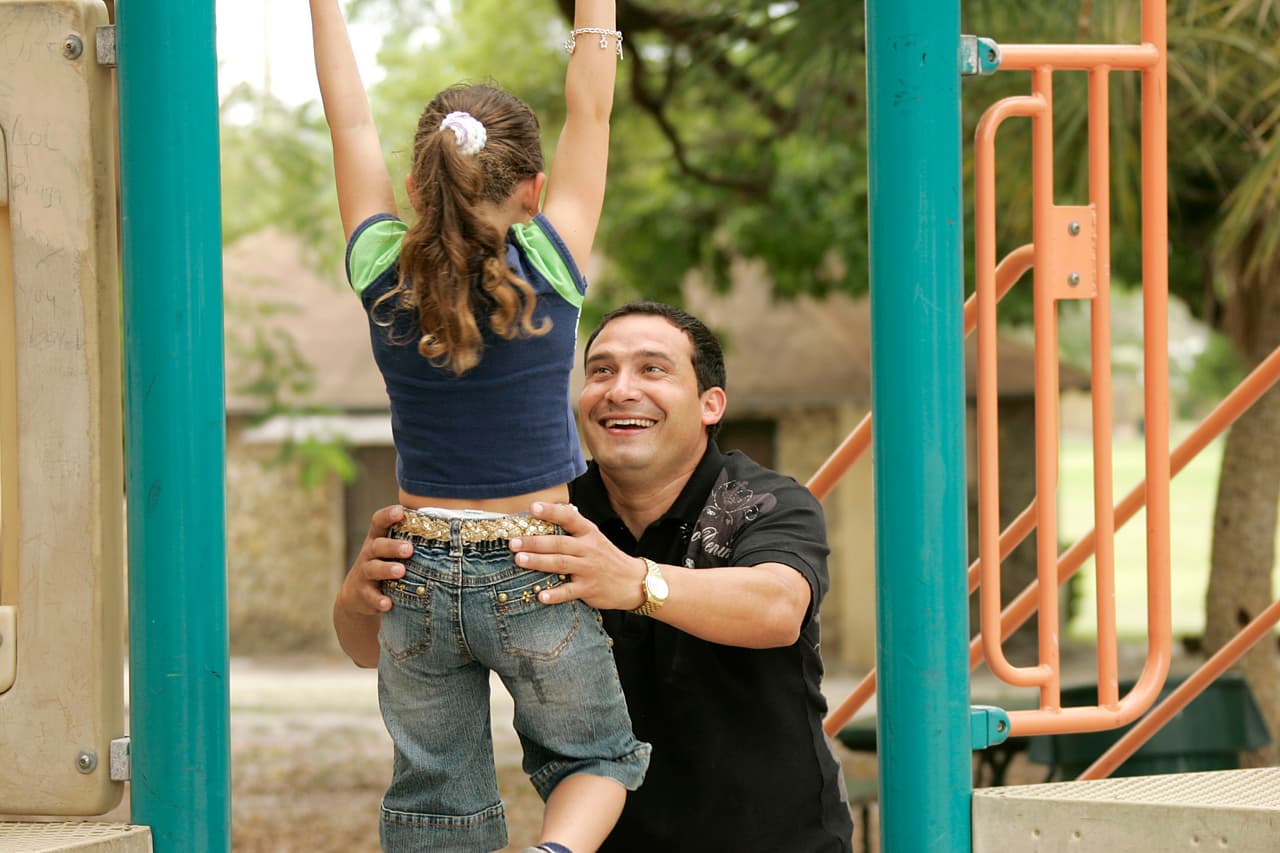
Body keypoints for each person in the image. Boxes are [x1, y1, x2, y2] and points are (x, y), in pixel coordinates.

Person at [308, 2, 648, 851]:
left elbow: (347, 117)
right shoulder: (553, 262)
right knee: (597, 757)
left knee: (434, 800)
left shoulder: (382, 270)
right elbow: (594, 108)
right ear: (533, 191)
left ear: (418, 183)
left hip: (414, 566)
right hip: (539, 561)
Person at [340, 302, 856, 852]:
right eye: (601, 371)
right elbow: (371, 650)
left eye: (653, 370)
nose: (620, 390)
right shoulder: (547, 513)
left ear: (711, 405)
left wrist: (633, 581)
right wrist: (361, 595)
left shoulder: (766, 501)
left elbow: (777, 610)